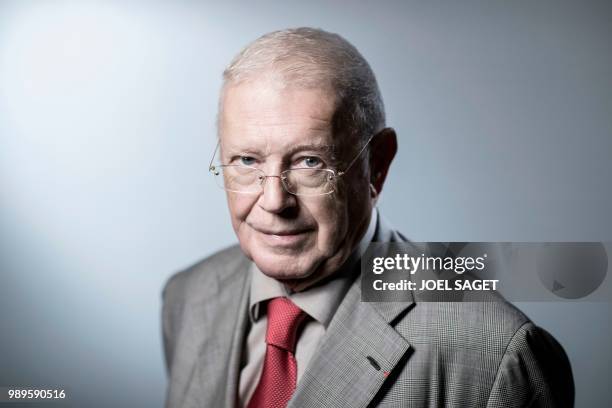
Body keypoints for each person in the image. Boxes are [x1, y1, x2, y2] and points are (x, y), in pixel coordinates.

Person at [161, 27, 574, 408]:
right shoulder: (187, 298)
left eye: (309, 161)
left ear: (377, 165)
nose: (273, 201)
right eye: (247, 160)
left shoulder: (497, 354)